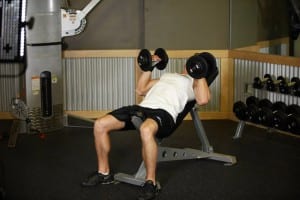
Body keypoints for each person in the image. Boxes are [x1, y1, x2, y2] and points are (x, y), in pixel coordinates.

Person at [81, 54, 211, 200]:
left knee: (146, 129)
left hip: (164, 113)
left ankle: (150, 183)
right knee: (100, 124)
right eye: (191, 61)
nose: (191, 64)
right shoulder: (168, 76)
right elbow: (141, 90)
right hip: (141, 109)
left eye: (196, 62)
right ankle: (104, 173)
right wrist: (149, 67)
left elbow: (203, 99)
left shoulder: (195, 83)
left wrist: (200, 74)